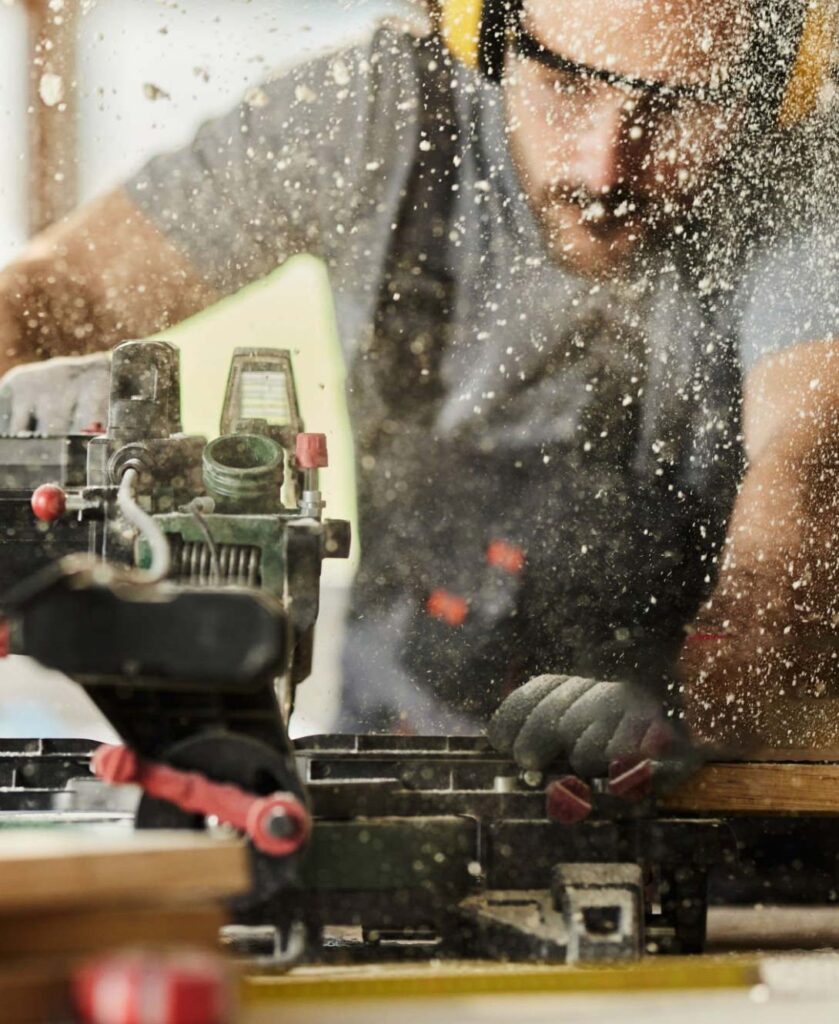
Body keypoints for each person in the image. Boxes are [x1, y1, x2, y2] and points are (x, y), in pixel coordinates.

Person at [1, 0, 838, 782]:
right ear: (481, 29)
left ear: (779, 83)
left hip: (700, 798)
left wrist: (698, 712)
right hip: (395, 754)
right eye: (566, 83)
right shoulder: (379, 112)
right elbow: (51, 297)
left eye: (678, 104)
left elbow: (810, 470)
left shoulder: (800, 167)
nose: (604, 162)